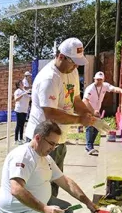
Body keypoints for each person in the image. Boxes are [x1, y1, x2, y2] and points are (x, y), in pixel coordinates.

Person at [0, 120, 97, 213]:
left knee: (66, 211)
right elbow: (16, 189)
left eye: (56, 144)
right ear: (38, 138)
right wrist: (44, 209)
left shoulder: (45, 157)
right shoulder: (24, 157)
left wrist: (87, 202)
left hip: (35, 209)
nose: (54, 148)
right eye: (51, 143)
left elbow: (65, 181)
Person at [24, 37, 94, 200]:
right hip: (43, 138)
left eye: (78, 63)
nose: (76, 66)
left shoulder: (72, 71)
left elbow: (76, 100)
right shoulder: (49, 78)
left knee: (55, 180)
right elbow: (51, 114)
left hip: (59, 137)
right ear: (61, 56)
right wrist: (79, 120)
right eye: (73, 62)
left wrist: (88, 114)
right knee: (40, 182)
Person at [83, 71, 122, 154]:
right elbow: (85, 101)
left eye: (101, 80)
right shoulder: (90, 88)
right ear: (94, 79)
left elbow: (113, 88)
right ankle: (89, 146)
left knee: (97, 128)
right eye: (97, 79)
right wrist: (93, 111)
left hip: (97, 111)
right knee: (90, 127)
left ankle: (90, 145)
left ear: (103, 79)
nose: (99, 81)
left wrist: (121, 90)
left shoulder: (105, 86)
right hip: (88, 110)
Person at [14, 80, 30, 144]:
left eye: (22, 83)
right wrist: (23, 94)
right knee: (18, 124)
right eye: (21, 83)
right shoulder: (17, 91)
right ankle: (16, 140)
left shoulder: (24, 91)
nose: (22, 84)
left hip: (25, 110)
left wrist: (28, 93)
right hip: (19, 110)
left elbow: (28, 98)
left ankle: (21, 138)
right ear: (18, 85)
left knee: (22, 125)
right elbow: (16, 99)